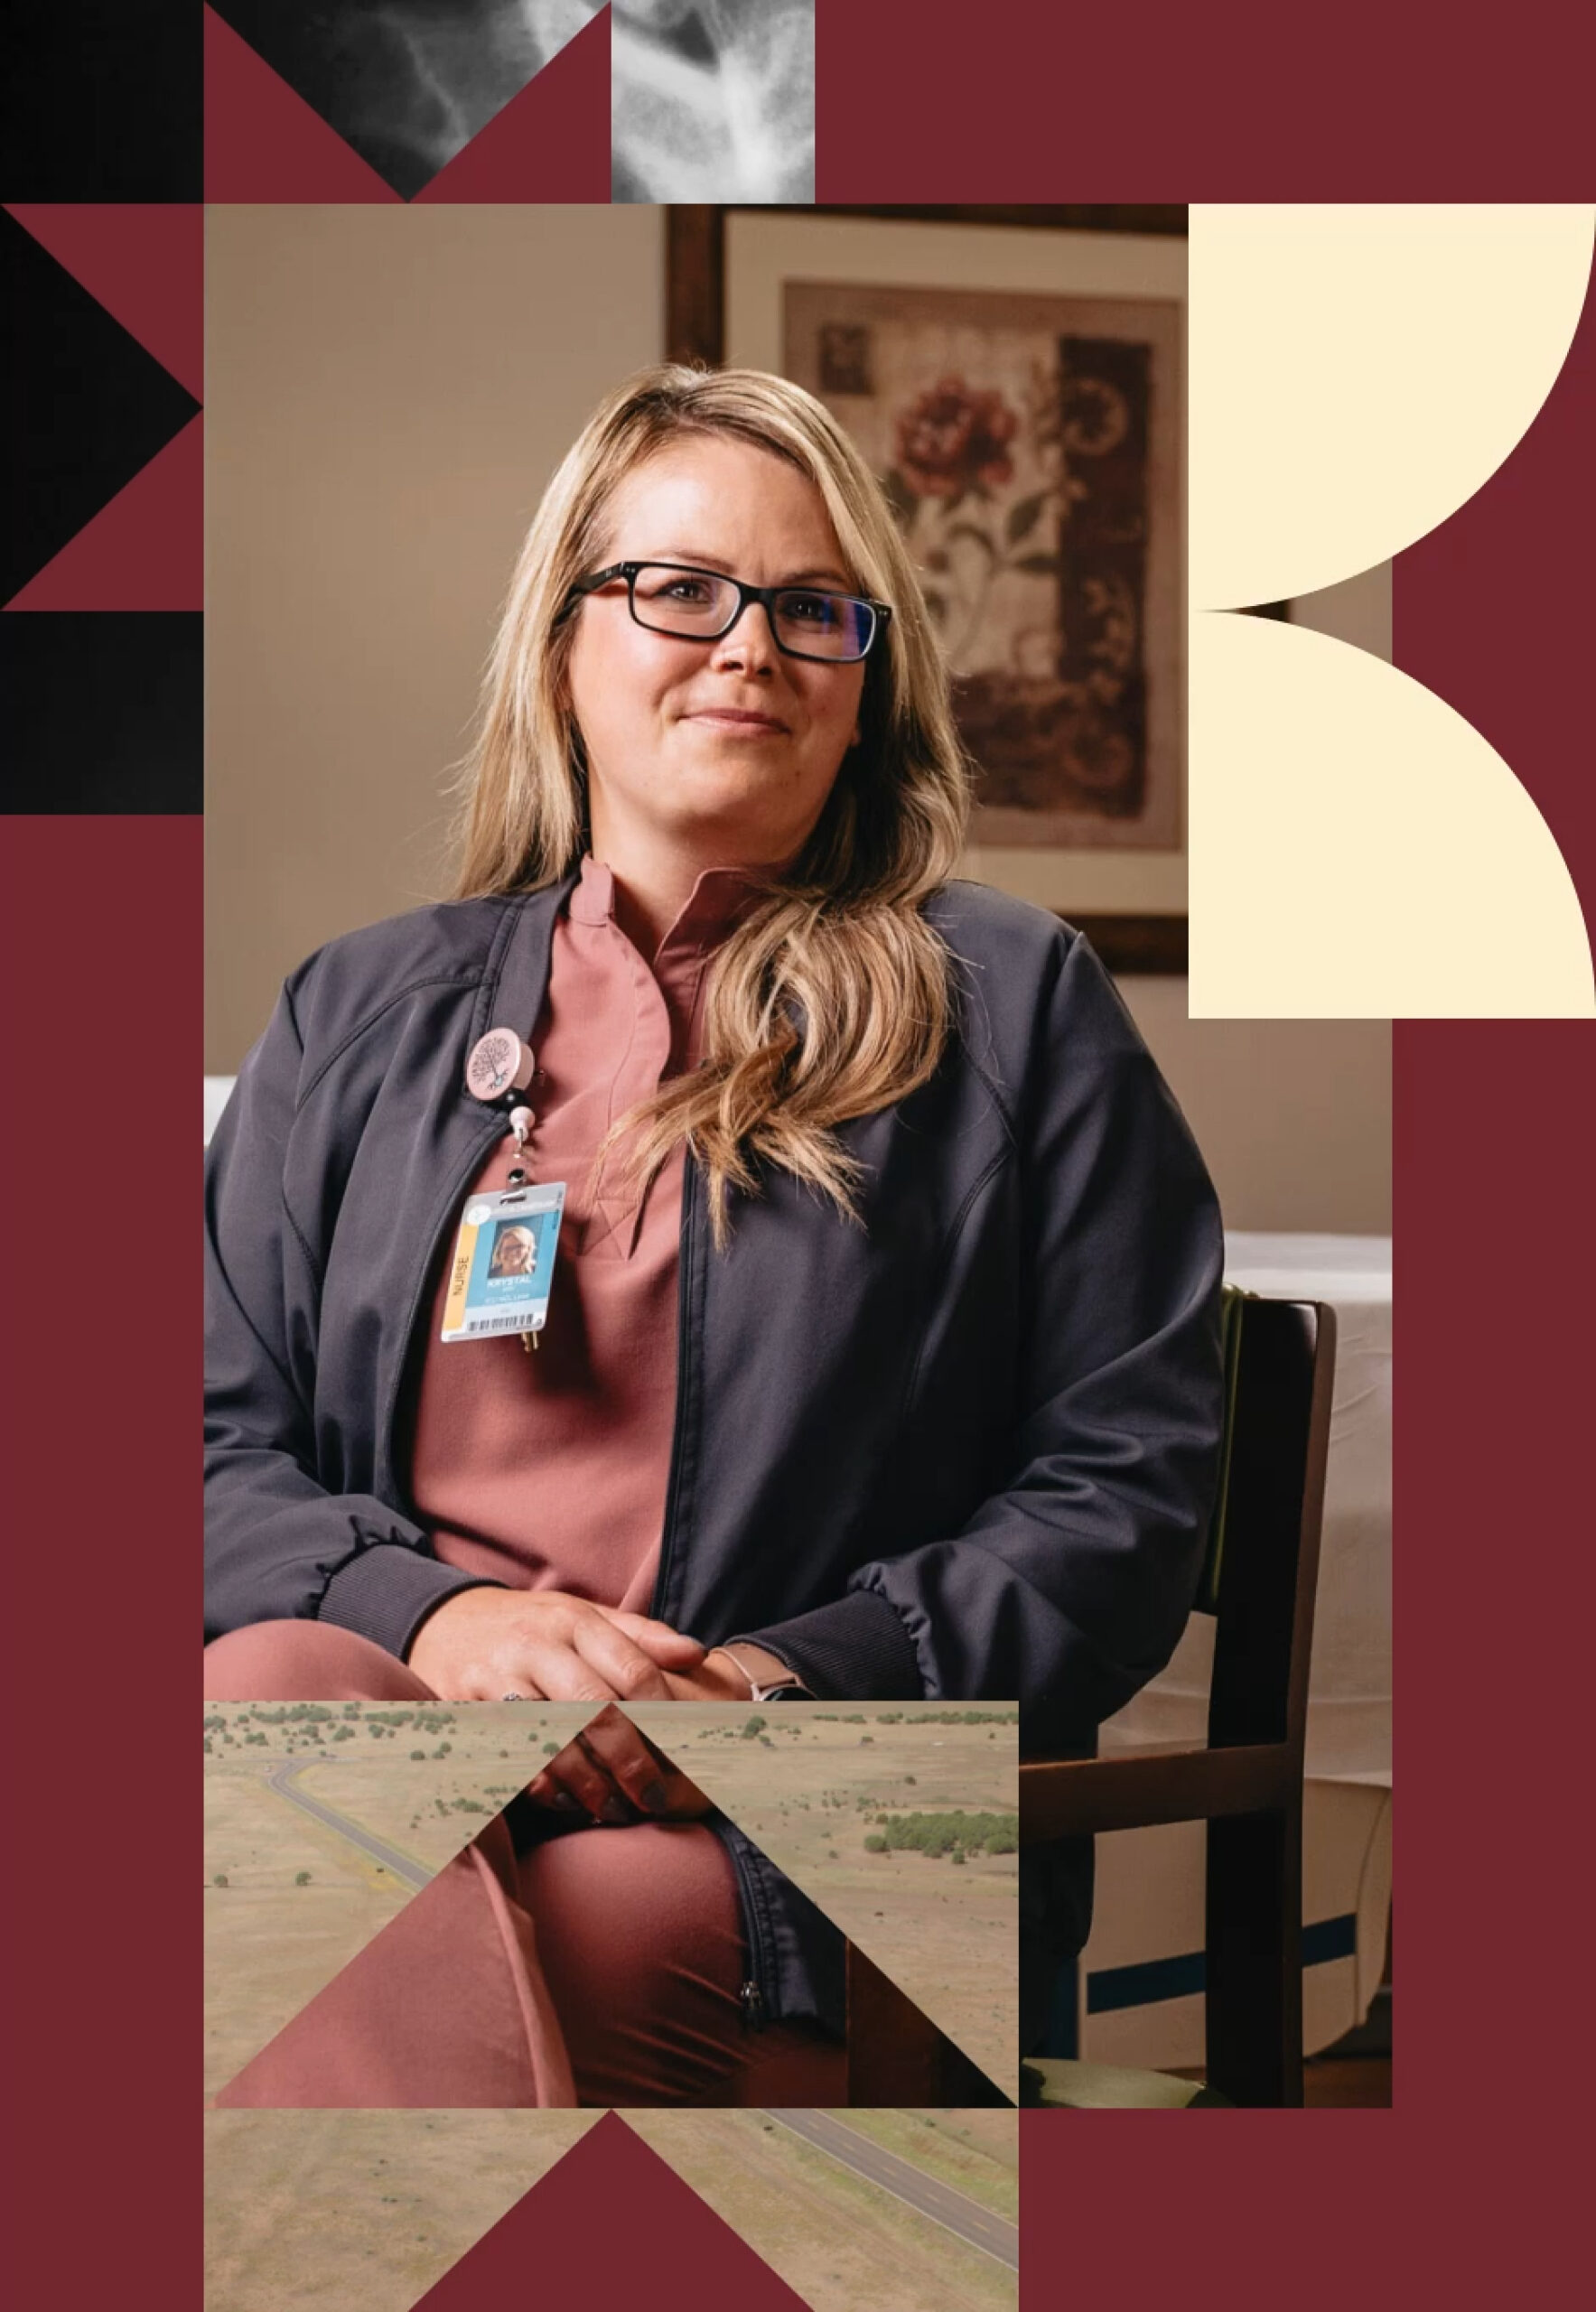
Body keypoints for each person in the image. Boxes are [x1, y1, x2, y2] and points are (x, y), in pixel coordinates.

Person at [204, 363, 1226, 2104]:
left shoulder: (1014, 1008)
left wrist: (763, 1692)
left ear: (865, 688)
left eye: (815, 611)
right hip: (402, 1728)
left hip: (810, 1818)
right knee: (286, 1677)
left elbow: (1122, 1493)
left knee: (547, 1903)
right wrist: (437, 1621)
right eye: (680, 588)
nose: (749, 648)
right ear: (562, 645)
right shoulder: (354, 1015)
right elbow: (199, 1453)